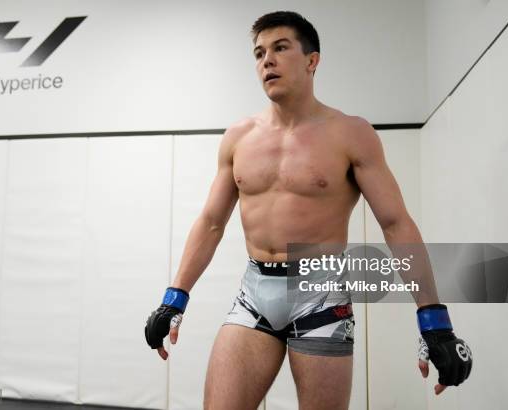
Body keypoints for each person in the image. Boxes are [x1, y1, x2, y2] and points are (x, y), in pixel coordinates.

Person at [145, 11, 472, 410]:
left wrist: (434, 319)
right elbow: (212, 223)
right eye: (259, 52)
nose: (267, 60)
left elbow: (395, 222)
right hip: (254, 293)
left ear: (312, 60)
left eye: (280, 48)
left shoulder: (351, 133)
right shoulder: (239, 138)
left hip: (321, 295)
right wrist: (174, 298)